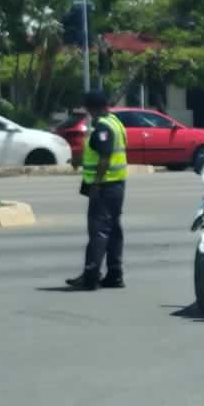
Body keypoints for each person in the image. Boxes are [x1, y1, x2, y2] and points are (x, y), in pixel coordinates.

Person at [67, 90, 128, 291]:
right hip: (117, 184)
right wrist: (78, 160)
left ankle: (90, 276)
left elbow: (104, 156)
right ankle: (115, 275)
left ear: (91, 108)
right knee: (113, 230)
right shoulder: (115, 122)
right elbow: (97, 152)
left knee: (99, 231)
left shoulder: (103, 127)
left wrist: (96, 183)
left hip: (105, 186)